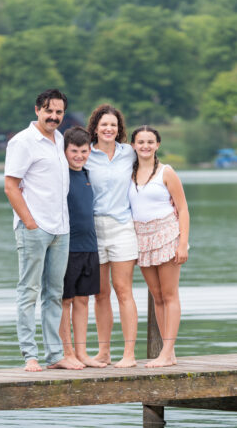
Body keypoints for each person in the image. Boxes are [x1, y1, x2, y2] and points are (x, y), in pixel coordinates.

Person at [4, 89, 83, 372]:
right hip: (34, 229)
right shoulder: (23, 142)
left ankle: (55, 355)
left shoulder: (59, 139)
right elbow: (10, 186)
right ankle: (30, 355)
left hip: (61, 229)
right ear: (37, 109)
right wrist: (29, 223)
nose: (54, 117)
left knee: (54, 294)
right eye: (49, 111)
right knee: (29, 291)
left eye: (59, 112)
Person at [129, 126, 190, 368]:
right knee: (156, 296)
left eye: (150, 141)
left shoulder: (166, 172)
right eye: (140, 141)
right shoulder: (129, 173)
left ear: (158, 145)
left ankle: (167, 352)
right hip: (142, 238)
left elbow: (183, 208)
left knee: (169, 294)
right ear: (133, 145)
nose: (145, 146)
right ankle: (169, 352)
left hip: (166, 235)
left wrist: (182, 244)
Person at [84, 104, 139, 368]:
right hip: (93, 230)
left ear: (119, 130)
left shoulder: (129, 153)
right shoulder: (85, 154)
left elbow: (153, 166)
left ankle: (129, 354)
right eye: (104, 124)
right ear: (95, 127)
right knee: (100, 294)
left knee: (123, 291)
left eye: (113, 126)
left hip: (122, 227)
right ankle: (103, 352)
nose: (109, 129)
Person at [60, 127, 106, 368]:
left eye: (84, 151)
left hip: (90, 247)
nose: (79, 155)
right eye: (74, 151)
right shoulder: (60, 175)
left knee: (83, 301)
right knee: (64, 301)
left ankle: (82, 354)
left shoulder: (87, 174)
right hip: (66, 248)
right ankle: (67, 353)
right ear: (65, 150)